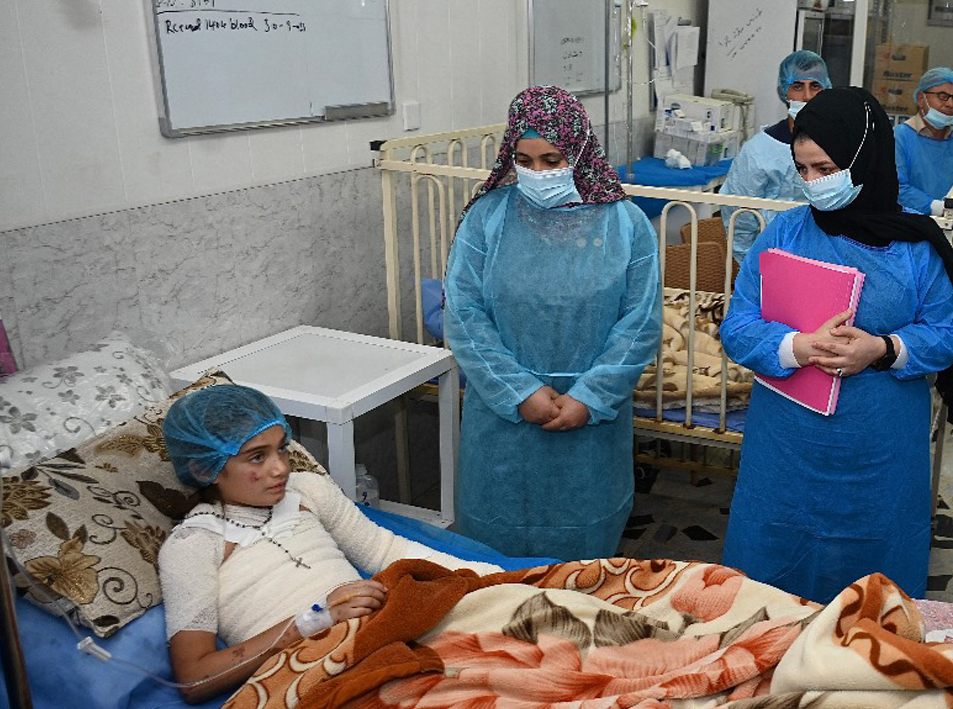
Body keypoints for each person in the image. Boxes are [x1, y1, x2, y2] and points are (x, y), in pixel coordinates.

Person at [719, 87, 953, 604]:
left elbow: (949, 335)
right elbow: (738, 325)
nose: (813, 183)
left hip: (876, 446)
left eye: (826, 168)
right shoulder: (785, 233)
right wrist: (797, 346)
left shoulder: (916, 246)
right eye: (803, 169)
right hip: (786, 444)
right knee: (771, 579)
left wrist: (882, 349)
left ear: (865, 159)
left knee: (870, 585)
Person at [158, 384, 501, 703]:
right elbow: (194, 678)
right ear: (206, 469)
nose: (280, 469)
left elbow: (386, 551)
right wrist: (317, 619)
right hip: (315, 667)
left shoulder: (307, 490)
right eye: (257, 457)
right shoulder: (192, 544)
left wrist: (494, 578)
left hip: (384, 628)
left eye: (281, 448)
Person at [445, 85, 661, 560]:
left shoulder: (625, 224)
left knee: (582, 569)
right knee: (496, 573)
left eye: (551, 159)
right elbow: (463, 313)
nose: (537, 173)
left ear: (580, 150)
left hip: (592, 428)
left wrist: (590, 396)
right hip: (501, 423)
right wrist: (517, 390)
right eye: (524, 160)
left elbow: (640, 322)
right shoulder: (488, 219)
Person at [719, 50, 832, 264]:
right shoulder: (759, 151)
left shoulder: (841, 144)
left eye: (815, 86)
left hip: (829, 258)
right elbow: (739, 216)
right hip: (771, 257)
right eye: (797, 87)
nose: (807, 96)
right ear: (783, 92)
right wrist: (753, 265)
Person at [894, 67, 953, 218]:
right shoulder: (900, 137)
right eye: (943, 96)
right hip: (910, 228)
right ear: (921, 99)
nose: (950, 104)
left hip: (951, 229)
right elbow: (896, 187)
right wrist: (935, 208)